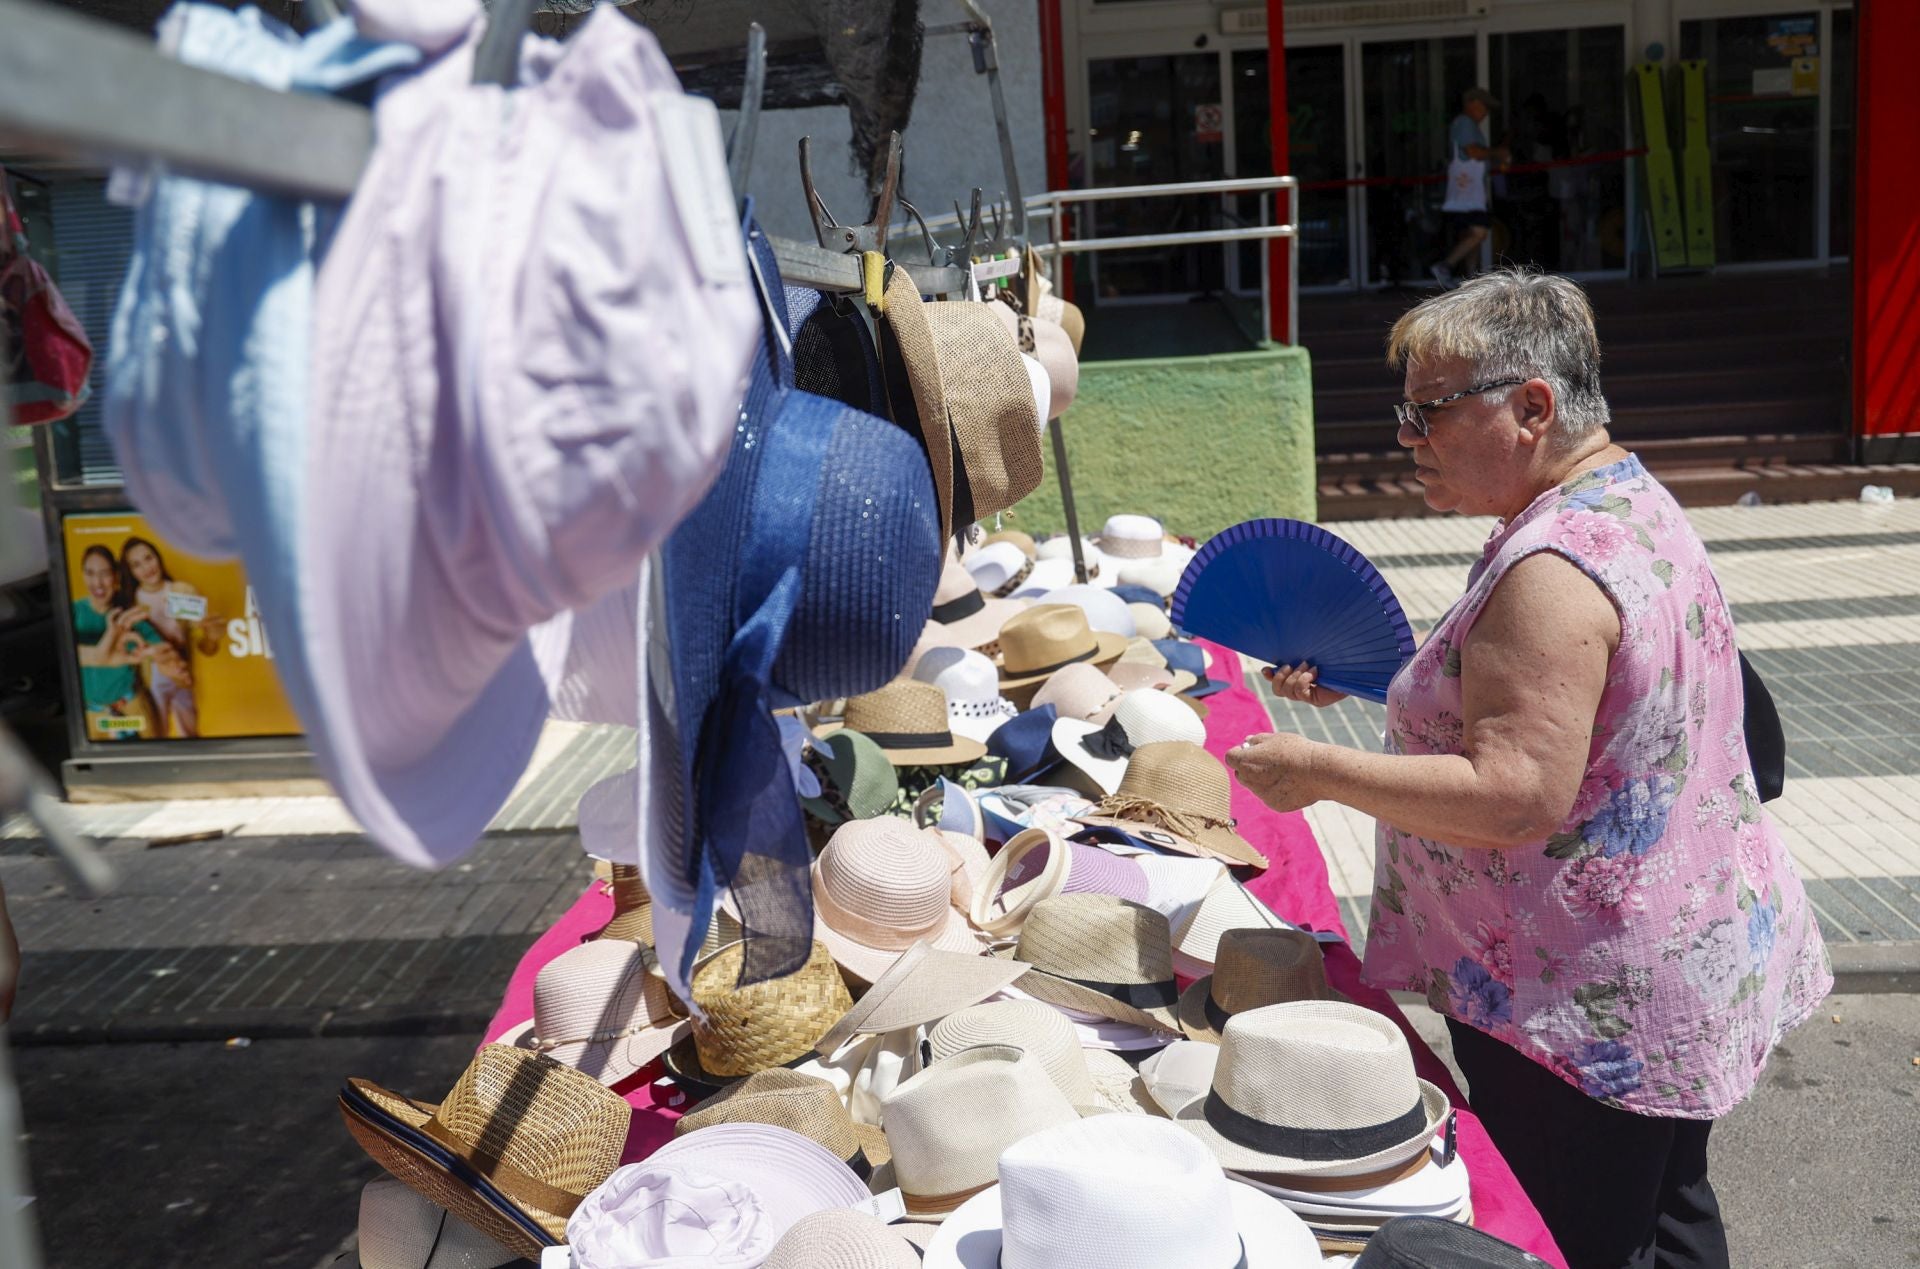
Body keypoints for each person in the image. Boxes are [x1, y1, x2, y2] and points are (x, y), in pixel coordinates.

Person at [1226, 270, 1830, 1269]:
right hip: (1668, 961)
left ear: (1533, 408)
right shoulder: (1622, 497)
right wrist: (1388, 689)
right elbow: (1587, 715)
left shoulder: (1551, 567)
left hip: (1576, 1007)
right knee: (1668, 1211)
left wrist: (1319, 771)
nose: (1407, 436)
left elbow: (1515, 796)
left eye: (1428, 411)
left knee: (1582, 1239)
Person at [121, 535, 221, 739]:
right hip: (152, 678)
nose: (146, 568)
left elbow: (205, 647)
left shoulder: (181, 592)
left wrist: (212, 637)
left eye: (148, 558)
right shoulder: (131, 602)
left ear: (158, 557)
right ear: (130, 572)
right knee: (156, 735)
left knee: (190, 733)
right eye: (136, 565)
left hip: (182, 672)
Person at [70, 543, 163, 740]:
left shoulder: (129, 615)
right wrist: (112, 635)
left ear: (116, 577)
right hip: (91, 715)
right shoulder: (72, 612)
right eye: (90, 573)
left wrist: (159, 654)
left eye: (105, 574)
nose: (97, 583)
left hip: (132, 708)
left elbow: (162, 648)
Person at [1432, 87, 1507, 287]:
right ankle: (1445, 266)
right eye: (1484, 107)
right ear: (1472, 103)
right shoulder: (1465, 123)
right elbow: (1472, 152)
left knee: (1472, 235)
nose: (1486, 113)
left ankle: (1471, 279)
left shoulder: (1466, 124)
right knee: (1480, 232)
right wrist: (1497, 153)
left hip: (1469, 191)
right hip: (1468, 192)